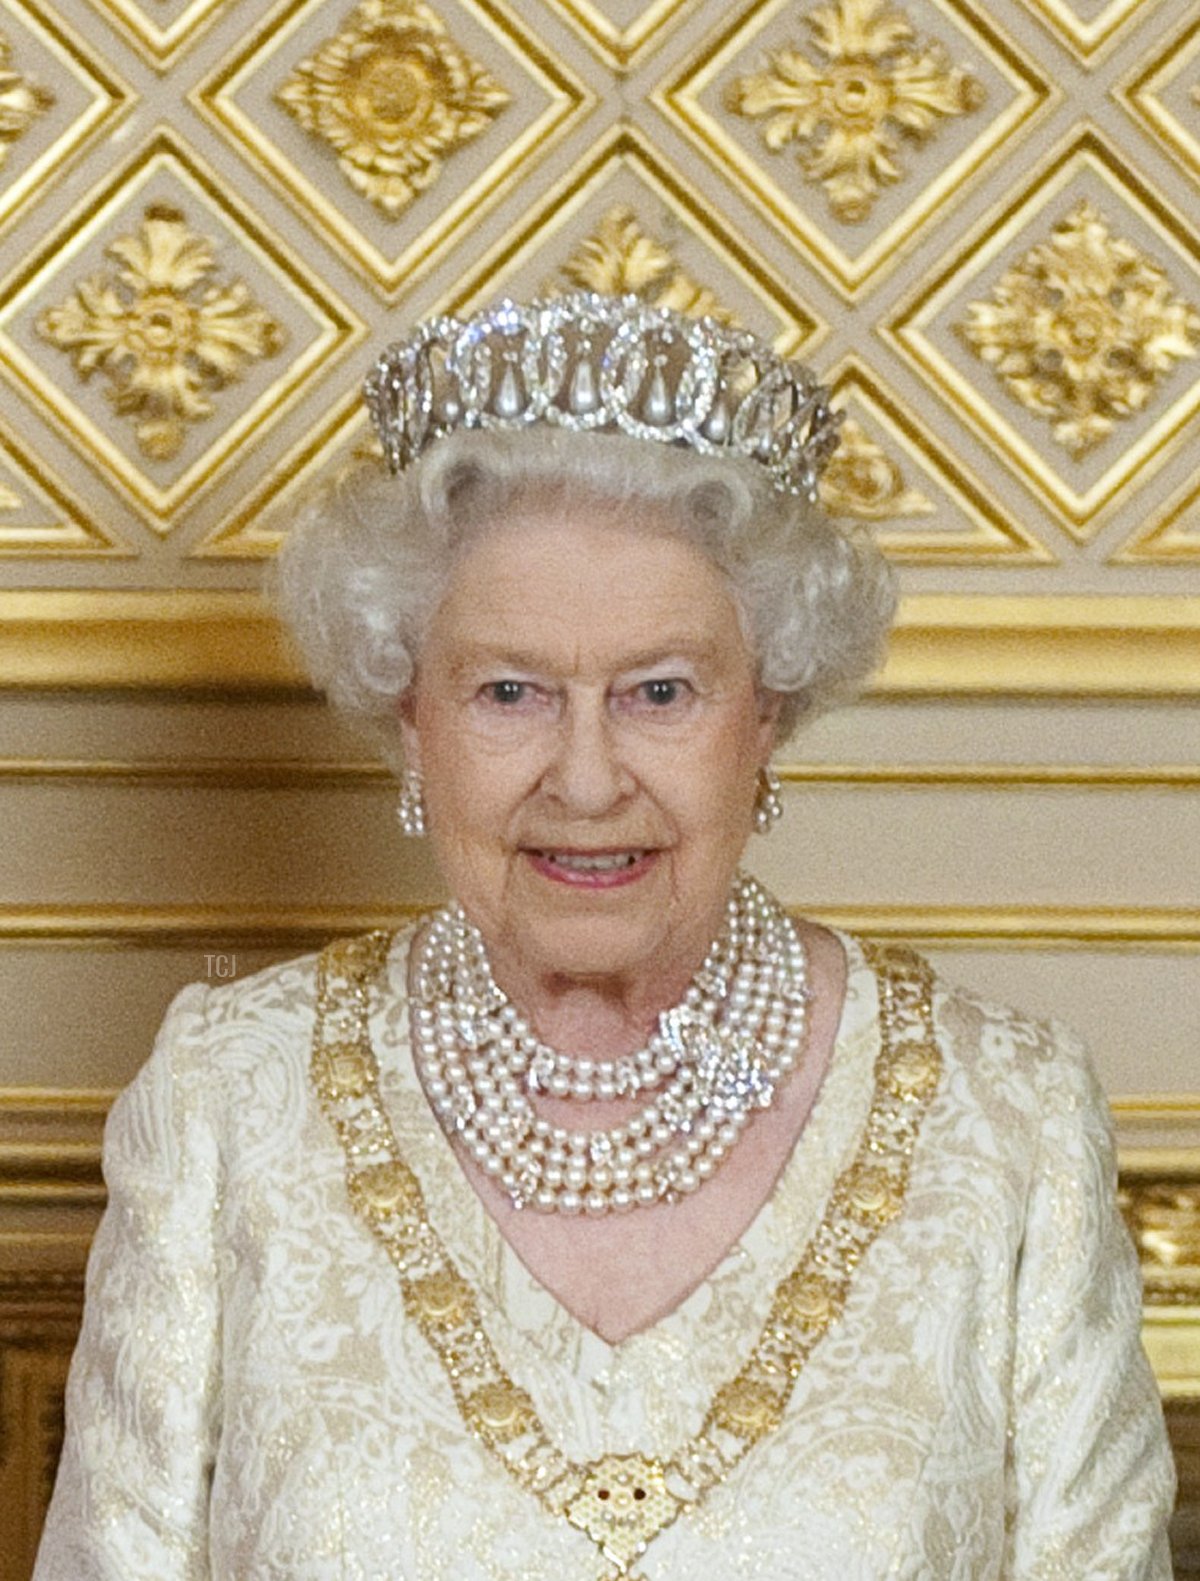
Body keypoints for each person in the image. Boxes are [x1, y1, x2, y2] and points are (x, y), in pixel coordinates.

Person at [35, 292, 1175, 1580]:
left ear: (769, 719)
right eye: (510, 691)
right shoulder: (226, 1099)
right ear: (412, 721)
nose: (585, 781)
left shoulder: (1006, 1121)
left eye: (660, 693)